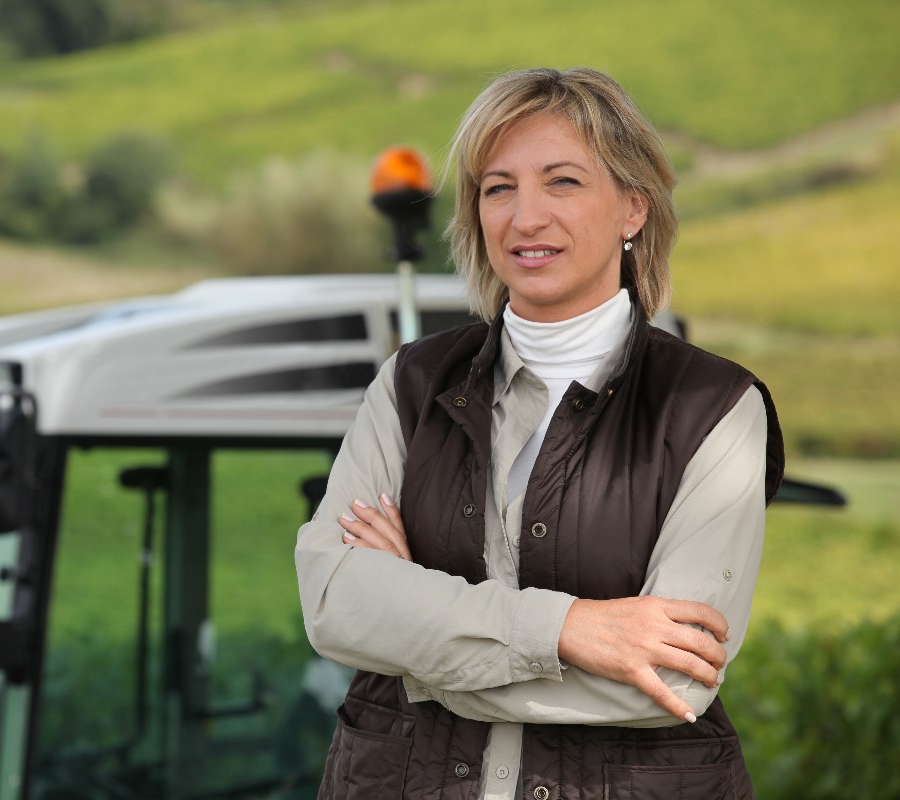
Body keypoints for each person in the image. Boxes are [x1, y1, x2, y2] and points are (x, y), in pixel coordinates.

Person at [295, 67, 784, 800]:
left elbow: (672, 678)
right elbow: (336, 602)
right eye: (499, 188)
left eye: (563, 182)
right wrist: (569, 631)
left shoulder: (713, 408)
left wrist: (414, 647)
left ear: (633, 207)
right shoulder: (411, 385)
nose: (526, 218)